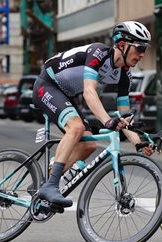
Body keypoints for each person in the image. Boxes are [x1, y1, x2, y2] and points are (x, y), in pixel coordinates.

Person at [32, 21, 154, 207]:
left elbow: (125, 116)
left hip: (65, 93)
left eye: (145, 49)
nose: (142, 54)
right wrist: (106, 121)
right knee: (77, 127)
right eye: (139, 48)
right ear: (122, 44)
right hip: (47, 84)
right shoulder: (98, 53)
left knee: (88, 145)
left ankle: (45, 182)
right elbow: (89, 92)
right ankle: (51, 185)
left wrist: (139, 143)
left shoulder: (124, 75)